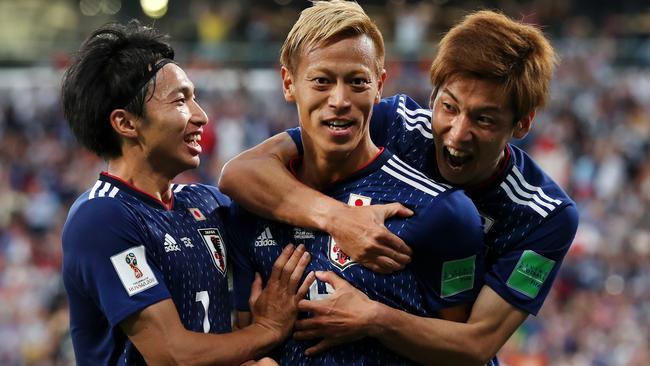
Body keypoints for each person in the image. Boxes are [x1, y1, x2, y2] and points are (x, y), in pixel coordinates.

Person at [219, 8, 579, 366]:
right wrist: (340, 219)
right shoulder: (395, 124)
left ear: (522, 123)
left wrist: (373, 318)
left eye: (483, 119)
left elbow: (475, 346)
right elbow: (242, 172)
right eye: (448, 107)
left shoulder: (544, 215)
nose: (457, 134)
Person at [60, 21, 312, 365]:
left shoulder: (207, 203)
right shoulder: (100, 217)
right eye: (180, 100)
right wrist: (267, 330)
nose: (201, 116)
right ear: (126, 123)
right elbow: (172, 354)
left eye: (195, 98)